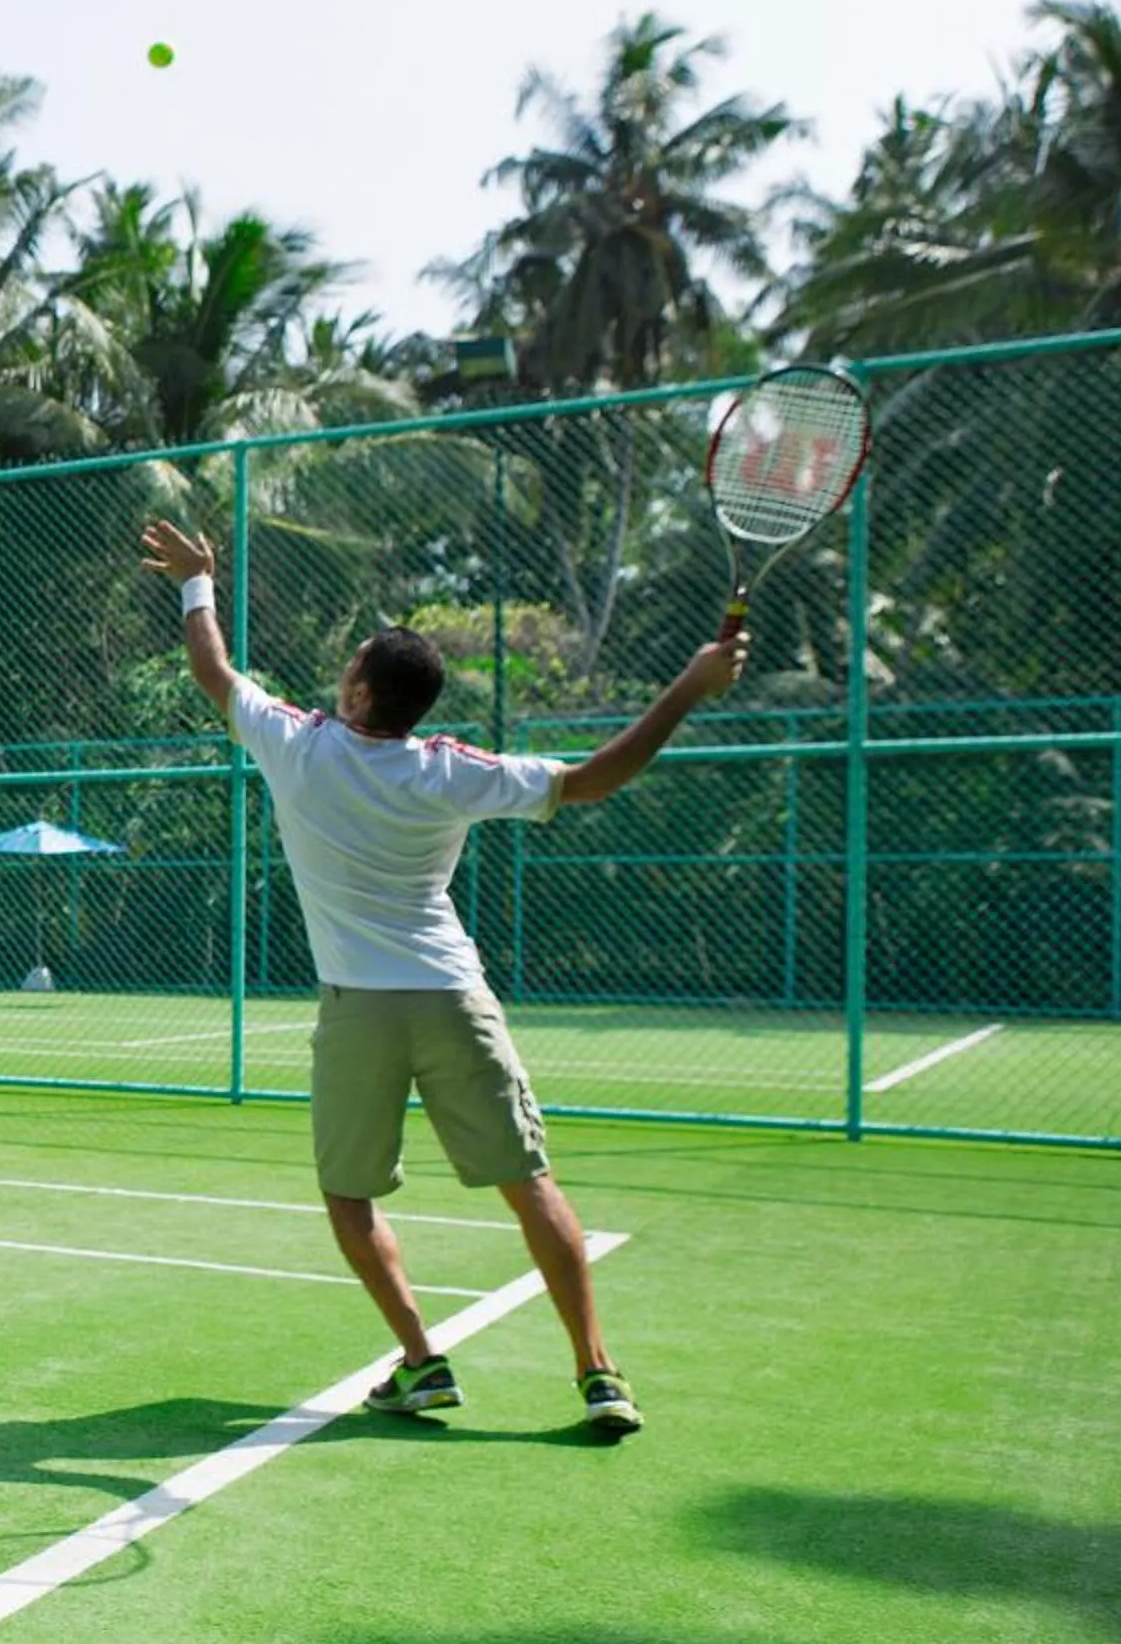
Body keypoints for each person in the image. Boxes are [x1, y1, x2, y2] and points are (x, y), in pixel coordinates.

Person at [139, 518, 747, 1434]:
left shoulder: (298, 747)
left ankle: (422, 1362)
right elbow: (596, 778)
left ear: (358, 690)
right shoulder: (450, 771)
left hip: (359, 1009)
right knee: (529, 1183)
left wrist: (198, 583)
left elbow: (212, 670)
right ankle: (597, 1371)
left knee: (348, 1197)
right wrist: (691, 688)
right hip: (454, 999)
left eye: (350, 664)